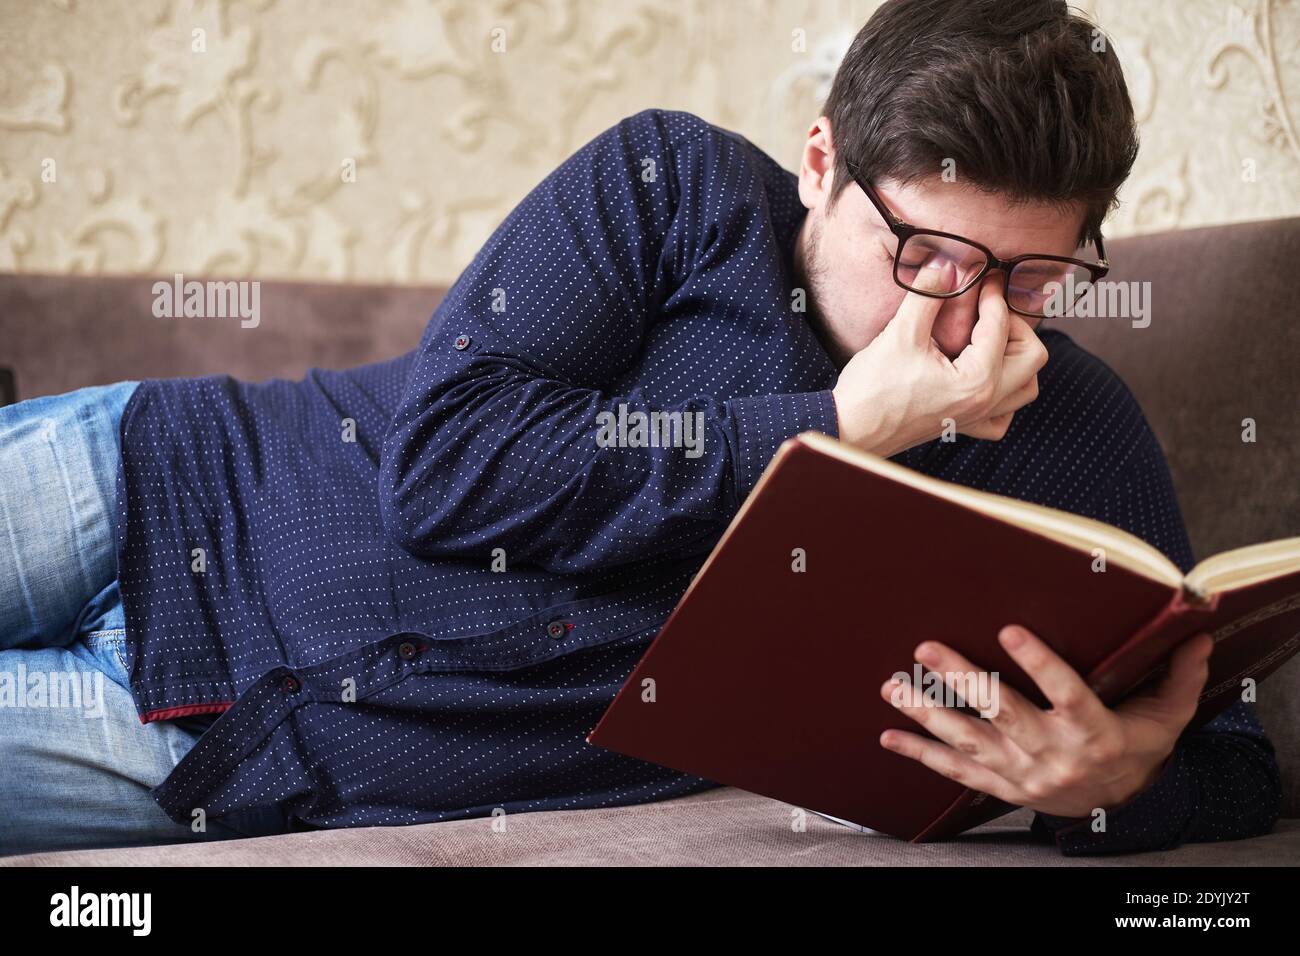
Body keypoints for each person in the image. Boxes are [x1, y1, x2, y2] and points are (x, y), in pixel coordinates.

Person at [0, 0, 1280, 857]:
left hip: (224, 748)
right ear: (822, 164)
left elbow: (1234, 766)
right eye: (928, 257)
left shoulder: (1075, 426)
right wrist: (837, 426)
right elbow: (447, 468)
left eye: (1034, 278)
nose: (970, 323)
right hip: (155, 482)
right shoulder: (673, 187)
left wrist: (1113, 782)